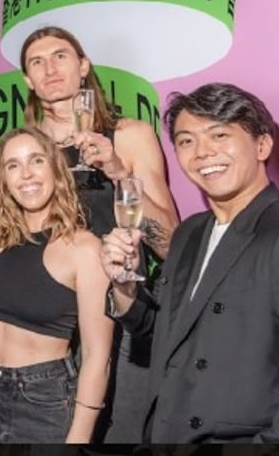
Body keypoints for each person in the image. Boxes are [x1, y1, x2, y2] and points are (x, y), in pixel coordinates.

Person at [100, 82, 279, 443]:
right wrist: (124, 287)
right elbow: (165, 329)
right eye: (186, 141)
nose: (203, 152)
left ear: (262, 145)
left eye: (219, 134)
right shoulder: (190, 232)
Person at [19, 24, 180, 442]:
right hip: (49, 328)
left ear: (83, 66)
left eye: (60, 56)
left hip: (124, 320)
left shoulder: (127, 135)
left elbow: (171, 242)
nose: (50, 68)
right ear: (27, 81)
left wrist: (118, 173)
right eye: (37, 62)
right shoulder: (24, 153)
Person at [0, 126, 113, 443]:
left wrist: (79, 437)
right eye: (13, 165)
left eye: (36, 161)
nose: (26, 175)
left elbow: (98, 357)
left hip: (45, 400)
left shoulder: (85, 249)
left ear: (56, 169)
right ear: (4, 180)